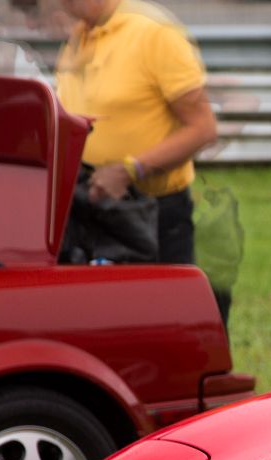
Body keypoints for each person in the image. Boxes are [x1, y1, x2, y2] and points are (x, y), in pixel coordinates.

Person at [53, 0, 226, 318]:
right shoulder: (80, 36)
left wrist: (131, 169)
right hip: (96, 213)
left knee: (170, 321)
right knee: (112, 321)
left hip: (154, 215)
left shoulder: (155, 33)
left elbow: (203, 128)